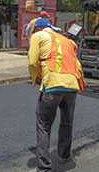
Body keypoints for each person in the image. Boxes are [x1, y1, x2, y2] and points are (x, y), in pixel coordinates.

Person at [27, 16, 85, 172]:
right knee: (67, 122)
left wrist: (35, 78)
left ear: (37, 29)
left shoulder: (38, 36)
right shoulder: (68, 41)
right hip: (71, 86)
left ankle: (44, 167)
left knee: (43, 125)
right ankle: (64, 156)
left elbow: (32, 62)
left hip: (53, 84)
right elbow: (77, 65)